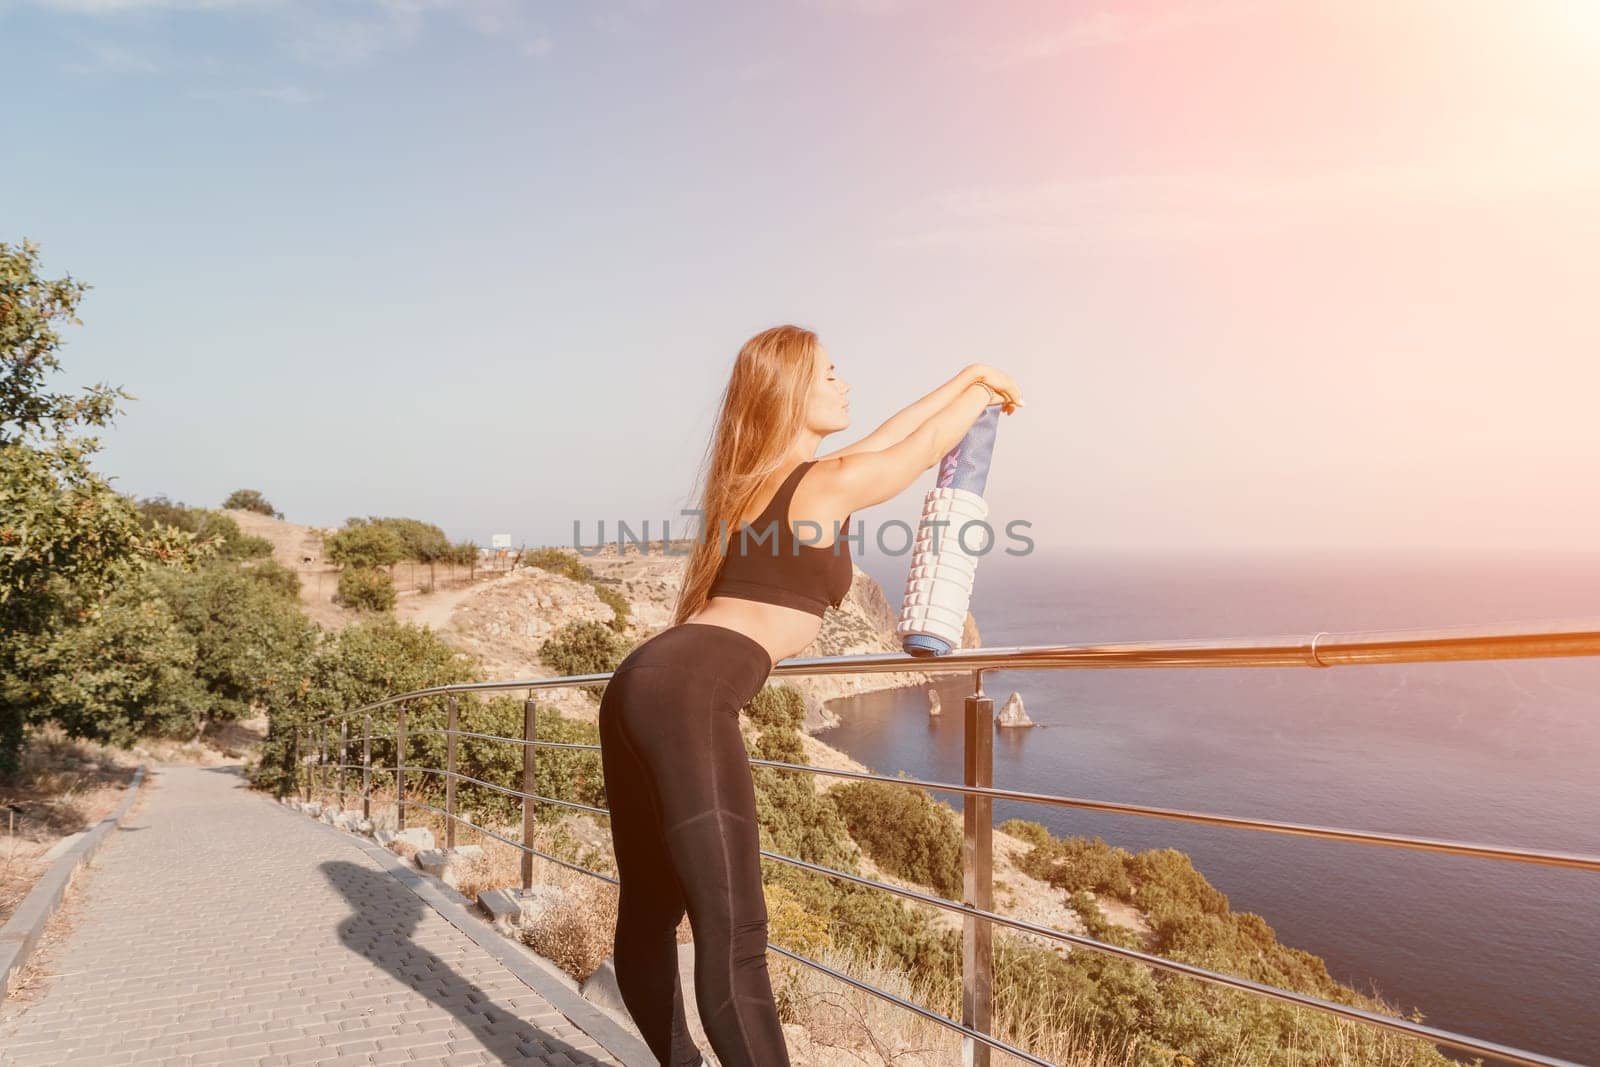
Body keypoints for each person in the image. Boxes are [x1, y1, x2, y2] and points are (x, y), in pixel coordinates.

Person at [596, 324, 1023, 1066]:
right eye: (831, 373)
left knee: (650, 913)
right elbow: (916, 453)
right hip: (690, 692)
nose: (846, 383)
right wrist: (984, 396)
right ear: (793, 392)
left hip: (642, 681)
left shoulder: (754, 484)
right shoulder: (820, 485)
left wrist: (966, 377)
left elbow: (888, 438)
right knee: (735, 943)